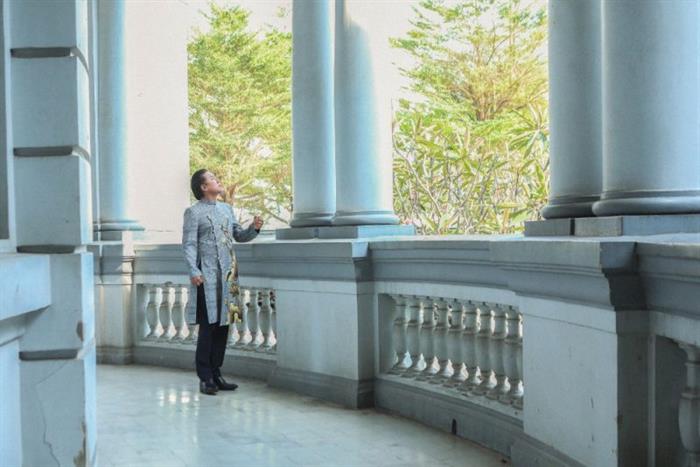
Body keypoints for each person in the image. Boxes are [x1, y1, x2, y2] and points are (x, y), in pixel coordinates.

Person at [182, 169, 264, 395]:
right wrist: (193, 270)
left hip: (228, 275)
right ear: (203, 187)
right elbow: (189, 244)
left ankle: (217, 373)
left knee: (224, 325)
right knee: (208, 326)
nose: (217, 180)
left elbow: (239, 235)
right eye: (212, 178)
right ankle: (205, 377)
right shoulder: (193, 212)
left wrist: (254, 228)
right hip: (206, 276)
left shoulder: (227, 209)